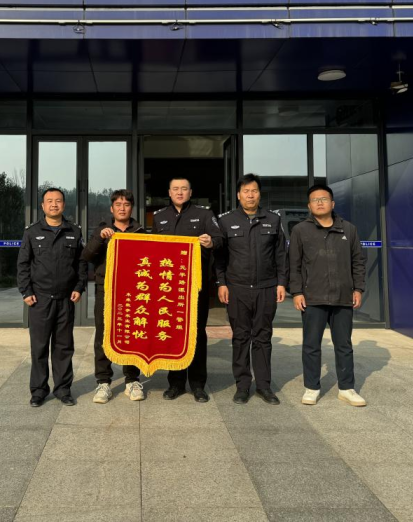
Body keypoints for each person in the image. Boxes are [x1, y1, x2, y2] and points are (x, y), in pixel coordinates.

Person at [289, 184, 367, 407]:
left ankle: (347, 388)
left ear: (332, 203)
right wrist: (297, 292)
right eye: (315, 200)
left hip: (343, 297)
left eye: (324, 199)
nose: (320, 203)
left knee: (344, 345)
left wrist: (358, 289)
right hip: (312, 297)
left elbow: (358, 261)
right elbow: (294, 264)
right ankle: (311, 387)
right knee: (311, 345)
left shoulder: (348, 230)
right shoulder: (300, 230)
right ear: (309, 206)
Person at [214, 174, 288, 405]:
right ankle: (242, 386)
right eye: (246, 191)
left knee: (263, 337)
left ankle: (264, 386)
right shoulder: (226, 221)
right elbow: (220, 256)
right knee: (240, 337)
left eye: (254, 191)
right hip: (237, 289)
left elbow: (281, 255)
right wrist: (221, 283)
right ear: (238, 195)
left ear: (259, 194)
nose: (250, 195)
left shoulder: (273, 219)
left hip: (266, 288)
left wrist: (281, 283)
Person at [153, 177, 221, 403]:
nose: (179, 192)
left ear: (190, 192)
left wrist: (210, 242)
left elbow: (220, 239)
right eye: (175, 189)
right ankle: (175, 383)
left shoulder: (204, 214)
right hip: (169, 288)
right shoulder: (160, 217)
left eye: (184, 189)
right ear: (169, 192)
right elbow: (152, 248)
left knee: (197, 333)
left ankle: (198, 384)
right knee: (172, 332)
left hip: (196, 286)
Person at [17, 188, 85, 408]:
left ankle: (63, 389)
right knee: (39, 347)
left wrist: (79, 287)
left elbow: (81, 264)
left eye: (58, 201)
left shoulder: (74, 231)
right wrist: (26, 291)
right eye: (49, 201)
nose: (54, 204)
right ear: (43, 206)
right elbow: (23, 264)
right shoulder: (32, 232)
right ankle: (38, 391)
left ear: (64, 205)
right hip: (40, 299)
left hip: (65, 299)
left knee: (63, 347)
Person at [81, 189, 146, 404]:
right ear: (112, 208)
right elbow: (87, 255)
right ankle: (103, 382)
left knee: (132, 334)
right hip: (106, 290)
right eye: (118, 204)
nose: (122, 208)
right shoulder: (102, 230)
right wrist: (101, 239)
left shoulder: (141, 231)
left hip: (134, 291)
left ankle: (132, 380)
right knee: (103, 335)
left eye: (126, 204)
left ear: (131, 208)